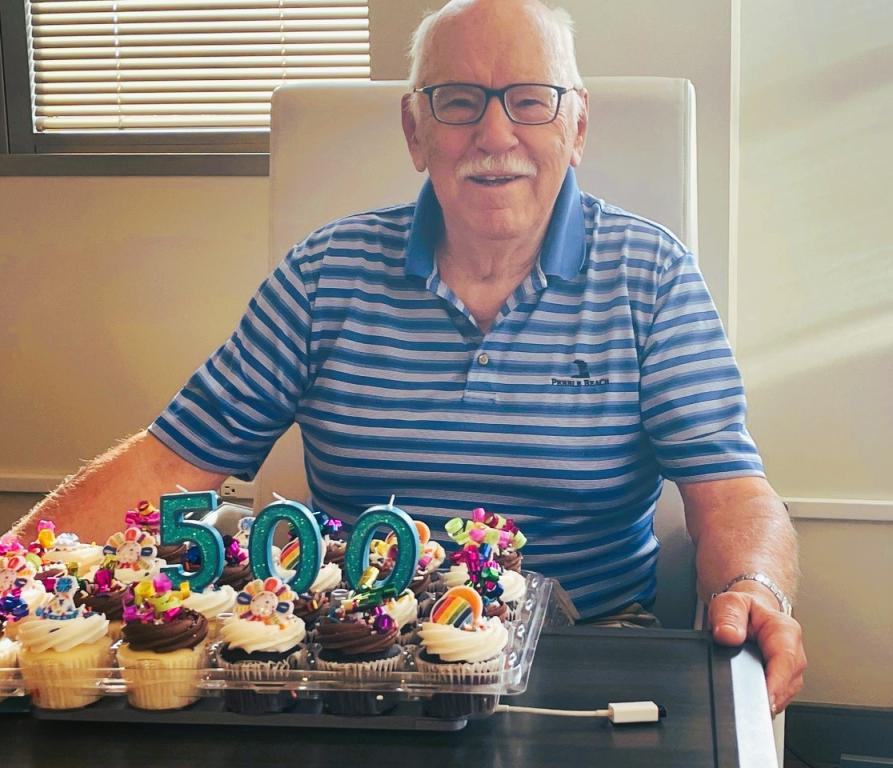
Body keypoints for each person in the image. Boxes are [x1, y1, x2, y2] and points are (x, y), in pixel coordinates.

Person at [10, 0, 805, 713]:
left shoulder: (650, 273)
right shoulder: (326, 272)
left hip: (587, 647)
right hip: (360, 658)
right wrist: (9, 573)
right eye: (457, 102)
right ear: (415, 131)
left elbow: (728, 488)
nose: (495, 135)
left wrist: (753, 587)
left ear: (577, 126)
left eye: (529, 101)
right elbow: (170, 461)